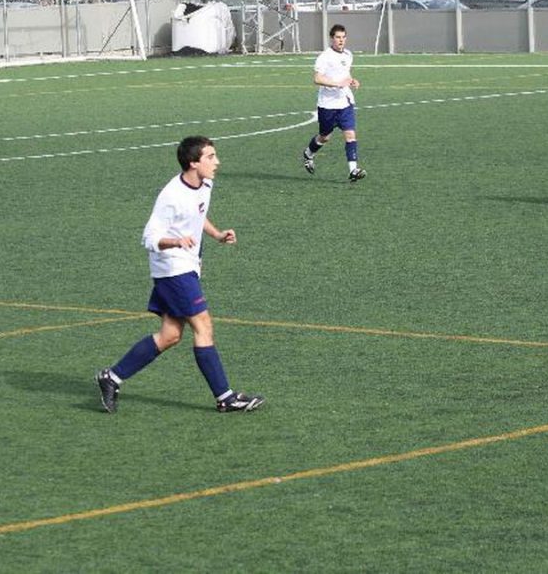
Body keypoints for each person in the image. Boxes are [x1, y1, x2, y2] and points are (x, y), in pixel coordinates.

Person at [96, 136, 265, 414]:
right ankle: (225, 397)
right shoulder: (170, 196)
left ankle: (111, 378)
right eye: (210, 157)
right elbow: (149, 237)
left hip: (186, 266)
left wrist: (217, 235)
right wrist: (176, 242)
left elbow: (199, 214)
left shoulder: (205, 183)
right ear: (193, 163)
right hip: (173, 269)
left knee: (170, 335)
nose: (217, 162)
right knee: (203, 325)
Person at [301, 24, 367, 182]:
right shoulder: (325, 57)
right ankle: (308, 154)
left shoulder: (348, 55)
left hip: (345, 102)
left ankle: (353, 170)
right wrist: (337, 84)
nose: (341, 40)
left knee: (350, 135)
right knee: (324, 137)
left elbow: (346, 74)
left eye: (343, 37)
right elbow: (317, 79)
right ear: (332, 38)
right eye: (338, 37)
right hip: (328, 104)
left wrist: (352, 81)